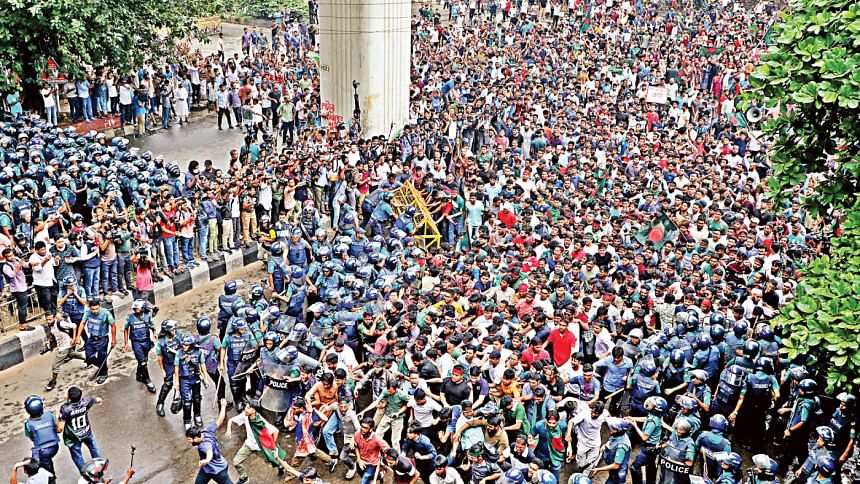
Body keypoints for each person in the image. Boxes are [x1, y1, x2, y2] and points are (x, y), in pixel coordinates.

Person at [225, 404, 289, 483]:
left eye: (248, 408)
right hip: (248, 445)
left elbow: (276, 431)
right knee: (236, 462)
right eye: (246, 407)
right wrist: (228, 429)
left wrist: (271, 445)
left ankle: (281, 467)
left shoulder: (261, 421)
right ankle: (244, 477)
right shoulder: (245, 416)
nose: (245, 409)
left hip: (260, 447)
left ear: (253, 410)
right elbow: (231, 420)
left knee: (273, 460)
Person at [58, 386, 103, 472]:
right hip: (87, 432)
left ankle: (86, 475)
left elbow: (60, 428)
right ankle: (99, 469)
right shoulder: (86, 402)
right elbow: (98, 400)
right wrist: (98, 399)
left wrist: (57, 415)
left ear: (69, 397)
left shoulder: (65, 408)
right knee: (94, 449)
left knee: (78, 456)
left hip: (74, 437)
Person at [187, 399, 232, 484]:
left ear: (196, 438)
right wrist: (223, 406)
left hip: (218, 470)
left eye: (190, 439)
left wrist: (206, 460)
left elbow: (209, 452)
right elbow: (220, 421)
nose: (189, 441)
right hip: (206, 469)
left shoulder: (205, 445)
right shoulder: (206, 431)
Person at [72, 299, 116, 384]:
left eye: (97, 309)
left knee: (102, 357)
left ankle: (103, 373)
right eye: (93, 309)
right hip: (92, 338)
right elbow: (82, 323)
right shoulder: (87, 312)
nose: (95, 311)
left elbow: (113, 325)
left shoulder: (106, 313)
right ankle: (102, 367)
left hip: (102, 339)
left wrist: (113, 340)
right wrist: (78, 337)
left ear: (99, 307)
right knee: (89, 357)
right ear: (90, 308)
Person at [45, 311, 86, 391]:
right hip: (62, 345)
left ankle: (53, 381)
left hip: (65, 346)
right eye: (47, 319)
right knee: (72, 354)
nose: (48, 321)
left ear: (54, 318)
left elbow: (74, 326)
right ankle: (91, 359)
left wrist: (74, 339)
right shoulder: (50, 325)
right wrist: (49, 341)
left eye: (50, 319)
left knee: (55, 365)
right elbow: (53, 334)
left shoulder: (60, 323)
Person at [22, 395, 59, 481]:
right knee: (47, 461)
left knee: (43, 467)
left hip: (43, 451)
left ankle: (50, 478)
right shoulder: (50, 415)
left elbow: (31, 437)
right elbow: (55, 426)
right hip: (55, 447)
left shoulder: (28, 424)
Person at [123, 299, 157, 393]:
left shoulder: (147, 316)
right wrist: (126, 343)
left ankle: (139, 374)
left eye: (137, 308)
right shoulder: (129, 318)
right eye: (134, 308)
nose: (135, 310)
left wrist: (154, 333)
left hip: (146, 341)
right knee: (142, 362)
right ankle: (148, 380)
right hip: (136, 342)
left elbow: (152, 325)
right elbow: (125, 330)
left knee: (144, 360)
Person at [588, 417, 631, 484]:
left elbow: (616, 465)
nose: (611, 430)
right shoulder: (617, 435)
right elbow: (612, 441)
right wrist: (605, 445)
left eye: (613, 429)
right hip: (613, 471)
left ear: (619, 431)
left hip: (618, 474)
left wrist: (598, 469)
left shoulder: (621, 446)